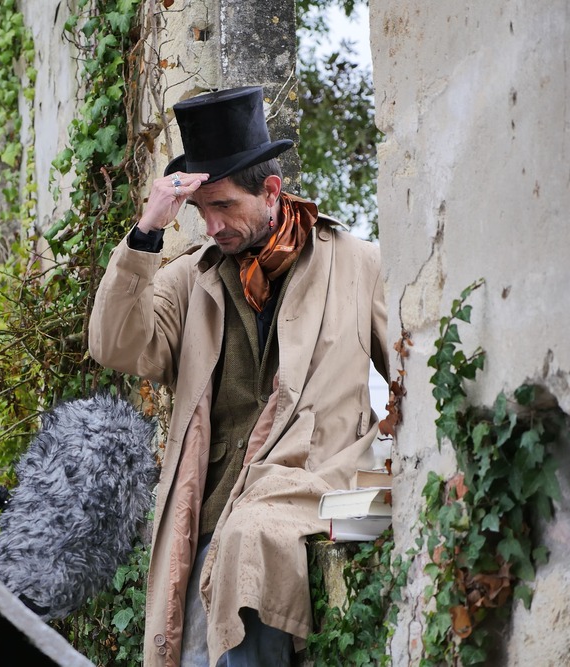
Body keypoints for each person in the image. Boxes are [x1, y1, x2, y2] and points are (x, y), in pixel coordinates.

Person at [88, 86, 388, 666]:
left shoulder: (355, 264)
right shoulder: (190, 279)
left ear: (270, 191)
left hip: (311, 489)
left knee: (252, 546)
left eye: (223, 206)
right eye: (201, 210)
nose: (212, 225)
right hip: (208, 515)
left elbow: (409, 375)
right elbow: (114, 343)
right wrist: (147, 231)